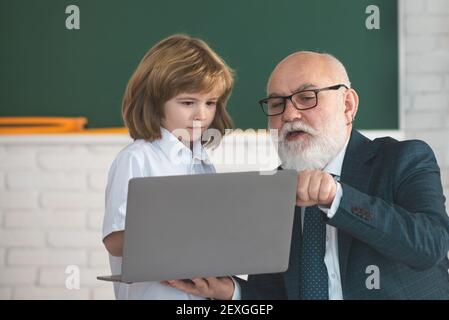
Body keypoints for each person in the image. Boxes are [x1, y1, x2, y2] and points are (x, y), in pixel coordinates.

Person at [166, 51, 449, 299]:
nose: (289, 115)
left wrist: (337, 198)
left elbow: (430, 245)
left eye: (306, 97)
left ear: (347, 105)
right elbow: (276, 293)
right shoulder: (274, 188)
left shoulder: (402, 159)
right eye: (277, 104)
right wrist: (231, 291)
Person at [102, 34, 236, 299]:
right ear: (153, 102)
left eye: (210, 103)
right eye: (188, 103)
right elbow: (115, 242)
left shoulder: (203, 163)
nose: (201, 115)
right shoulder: (137, 159)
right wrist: (180, 232)